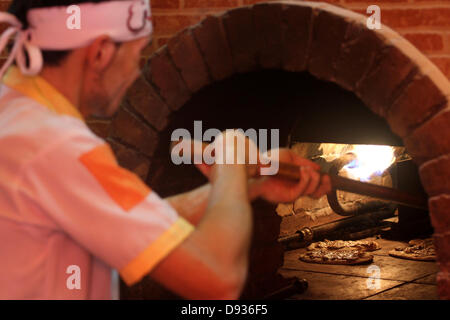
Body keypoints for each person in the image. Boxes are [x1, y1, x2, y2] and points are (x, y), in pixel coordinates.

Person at [0, 0, 332, 300]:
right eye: (135, 53)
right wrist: (231, 158)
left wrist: (245, 185)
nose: (134, 72)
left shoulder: (18, 113)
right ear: (100, 52)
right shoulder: (61, 147)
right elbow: (218, 280)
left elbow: (126, 218)